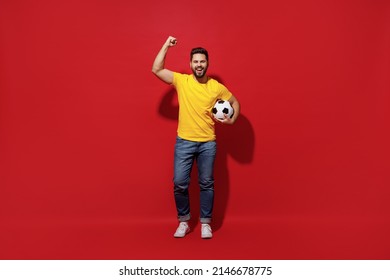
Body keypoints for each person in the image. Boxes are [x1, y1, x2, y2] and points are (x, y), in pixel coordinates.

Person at [152, 36, 240, 239]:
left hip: (208, 143)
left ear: (207, 63)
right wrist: (166, 45)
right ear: (190, 64)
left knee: (206, 183)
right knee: (180, 183)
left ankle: (205, 223)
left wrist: (232, 120)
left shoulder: (216, 87)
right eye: (195, 61)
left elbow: (235, 103)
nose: (199, 64)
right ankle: (184, 221)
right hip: (184, 142)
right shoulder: (182, 81)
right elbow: (156, 70)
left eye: (202, 61)